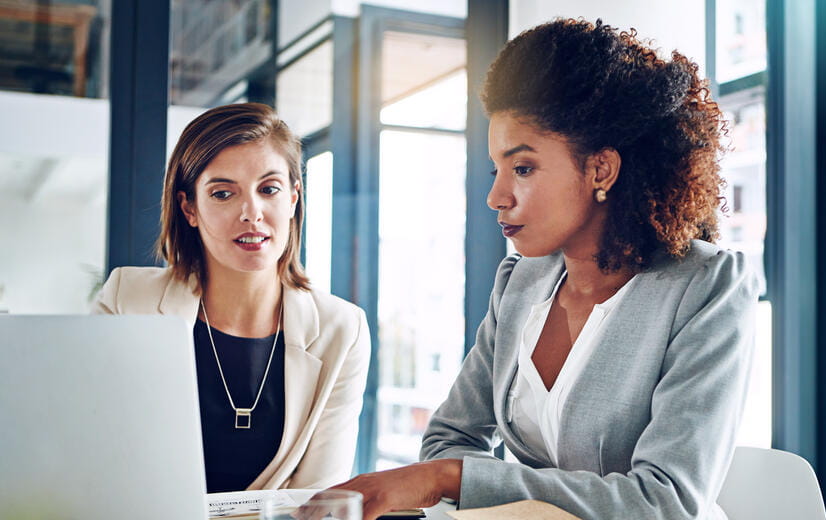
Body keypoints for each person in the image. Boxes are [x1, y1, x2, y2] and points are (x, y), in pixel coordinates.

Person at [323, 18, 757, 520]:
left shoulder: (707, 287)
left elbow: (663, 501)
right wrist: (456, 474)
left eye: (522, 168)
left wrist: (454, 478)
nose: (496, 197)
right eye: (497, 170)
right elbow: (451, 436)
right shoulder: (520, 284)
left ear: (601, 169)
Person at [92, 103, 370, 492]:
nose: (251, 213)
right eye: (223, 193)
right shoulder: (127, 301)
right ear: (189, 207)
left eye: (269, 189)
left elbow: (317, 497)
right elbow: (98, 458)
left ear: (293, 198)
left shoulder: (342, 329)